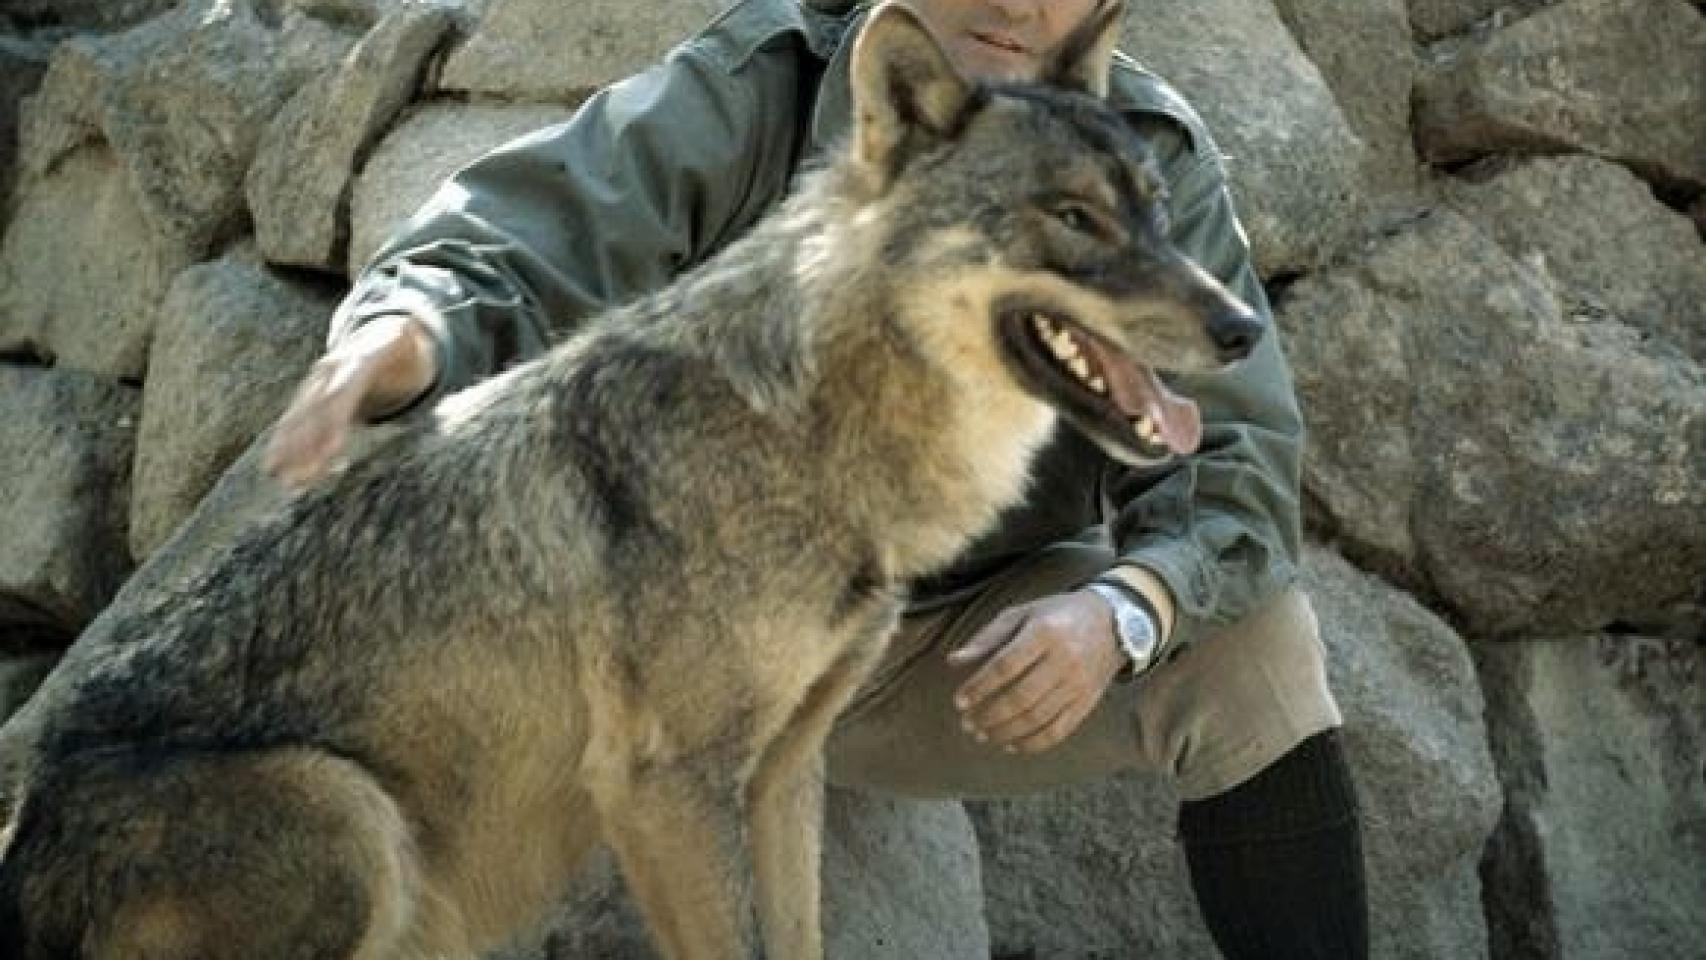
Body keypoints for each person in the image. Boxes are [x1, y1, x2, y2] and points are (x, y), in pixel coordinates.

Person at [265, 0, 1370, 955]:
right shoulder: (766, 80)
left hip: (939, 644)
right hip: (681, 642)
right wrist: (407, 329)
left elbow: (1240, 455)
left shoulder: (1137, 144)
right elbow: (527, 229)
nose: (1016, 4)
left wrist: (1124, 613)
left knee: (1254, 651)